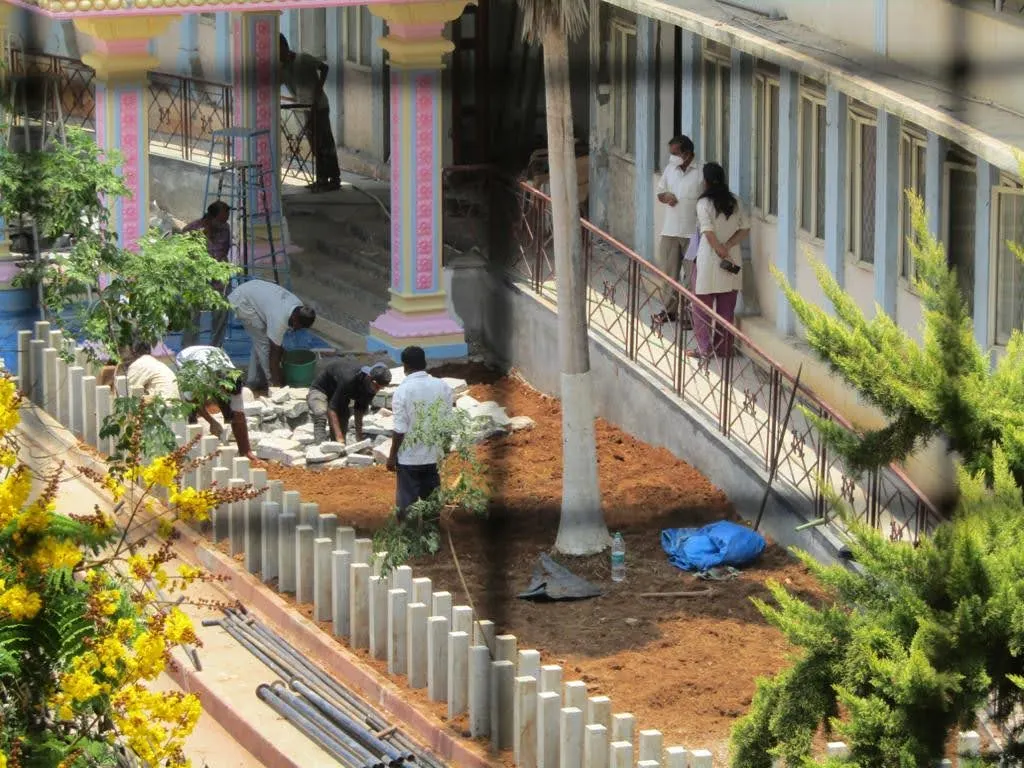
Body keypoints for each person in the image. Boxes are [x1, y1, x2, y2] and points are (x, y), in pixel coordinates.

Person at [688, 162, 750, 359]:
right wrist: (728, 246)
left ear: (706, 181)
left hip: (708, 259)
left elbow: (707, 231)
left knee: (701, 309)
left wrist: (719, 249)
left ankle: (704, 349)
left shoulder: (703, 203)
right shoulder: (736, 201)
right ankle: (723, 349)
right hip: (731, 258)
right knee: (726, 310)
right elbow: (745, 228)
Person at [386, 346, 454, 521]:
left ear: (405, 366)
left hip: (409, 459)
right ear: (424, 362)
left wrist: (392, 457)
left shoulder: (402, 391)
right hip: (433, 455)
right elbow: (448, 422)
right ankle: (432, 535)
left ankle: (407, 537)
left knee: (406, 507)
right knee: (432, 505)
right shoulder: (442, 386)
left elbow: (400, 429)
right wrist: (444, 449)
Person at [226, 279, 316, 393]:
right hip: (244, 301)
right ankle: (272, 385)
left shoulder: (298, 307)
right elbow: (273, 355)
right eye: (299, 326)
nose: (298, 330)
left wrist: (282, 353)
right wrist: (278, 384)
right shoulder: (280, 319)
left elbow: (276, 345)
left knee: (259, 341)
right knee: (264, 345)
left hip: (254, 291)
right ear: (295, 319)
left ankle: (252, 381)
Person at [280, 34, 341, 192]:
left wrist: (318, 89)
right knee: (315, 145)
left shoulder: (303, 59)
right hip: (306, 109)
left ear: (284, 47)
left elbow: (324, 68)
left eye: (278, 51)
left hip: (319, 107)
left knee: (325, 143)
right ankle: (321, 179)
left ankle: (334, 179)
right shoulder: (282, 69)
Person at [653, 135, 703, 328]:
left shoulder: (701, 172)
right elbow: (660, 193)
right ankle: (669, 311)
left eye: (675, 153)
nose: (672, 157)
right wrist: (666, 196)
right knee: (669, 273)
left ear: (687, 154)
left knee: (692, 277)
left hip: (693, 233)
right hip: (671, 230)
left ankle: (690, 315)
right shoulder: (670, 169)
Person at [175, 345, 256, 461]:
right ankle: (192, 447)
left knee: (231, 409)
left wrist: (247, 451)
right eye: (225, 392)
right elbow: (192, 401)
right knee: (191, 411)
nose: (228, 396)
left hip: (213, 357)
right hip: (186, 357)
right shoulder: (200, 376)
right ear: (219, 385)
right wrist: (211, 422)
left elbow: (239, 414)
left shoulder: (233, 379)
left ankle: (244, 452)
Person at [181, 200, 233, 348]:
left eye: (225, 220)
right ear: (211, 218)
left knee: (222, 308)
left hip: (218, 273)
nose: (224, 224)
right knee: (192, 312)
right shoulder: (190, 230)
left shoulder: (225, 229)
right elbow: (183, 256)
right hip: (196, 275)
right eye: (221, 221)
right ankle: (189, 347)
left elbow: (223, 252)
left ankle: (216, 347)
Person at [307, 359, 392, 444]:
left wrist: (359, 438)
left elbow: (359, 410)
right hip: (321, 390)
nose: (377, 390)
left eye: (381, 388)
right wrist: (339, 437)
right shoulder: (349, 378)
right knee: (321, 414)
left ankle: (336, 447)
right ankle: (320, 446)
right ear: (369, 377)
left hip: (341, 393)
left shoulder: (371, 387)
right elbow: (332, 408)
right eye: (376, 386)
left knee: (343, 419)